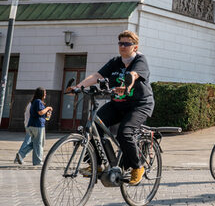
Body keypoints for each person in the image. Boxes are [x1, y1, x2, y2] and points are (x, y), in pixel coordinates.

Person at [69, 30, 153, 185]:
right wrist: (79, 86)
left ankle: (137, 167)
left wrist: (127, 84)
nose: (123, 46)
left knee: (125, 132)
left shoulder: (140, 60)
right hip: (118, 104)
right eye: (120, 43)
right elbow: (97, 76)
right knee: (93, 125)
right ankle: (98, 165)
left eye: (127, 44)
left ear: (134, 47)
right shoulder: (115, 61)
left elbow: (134, 75)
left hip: (139, 105)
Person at [14, 87, 52, 166]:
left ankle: (21, 154)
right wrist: (48, 108)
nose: (45, 95)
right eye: (44, 93)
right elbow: (40, 112)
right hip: (37, 126)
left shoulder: (34, 102)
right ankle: (37, 161)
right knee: (38, 144)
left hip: (32, 125)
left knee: (34, 143)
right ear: (41, 94)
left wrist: (47, 114)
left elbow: (40, 114)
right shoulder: (38, 101)